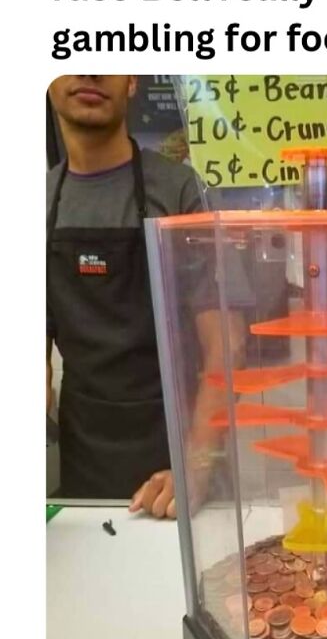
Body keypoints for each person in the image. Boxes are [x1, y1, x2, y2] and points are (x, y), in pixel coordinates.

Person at [47, 75, 244, 517]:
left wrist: (195, 465)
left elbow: (226, 346)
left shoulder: (181, 192)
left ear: (133, 81)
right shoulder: (38, 204)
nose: (90, 70)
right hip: (85, 469)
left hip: (181, 462)